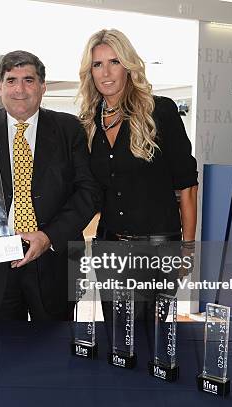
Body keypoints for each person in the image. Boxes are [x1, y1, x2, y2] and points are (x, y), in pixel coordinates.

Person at [0, 50, 102, 321]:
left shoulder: (69, 129)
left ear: (42, 87)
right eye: (11, 80)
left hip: (55, 262)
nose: (19, 89)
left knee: (55, 353)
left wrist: (48, 236)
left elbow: (88, 192)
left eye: (29, 80)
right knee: (0, 354)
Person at [77, 29, 198, 344]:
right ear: (89, 72)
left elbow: (187, 185)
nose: (105, 72)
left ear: (128, 66)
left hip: (157, 249)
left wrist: (187, 248)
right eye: (97, 64)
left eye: (114, 62)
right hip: (109, 248)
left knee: (152, 341)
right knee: (118, 340)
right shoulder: (88, 123)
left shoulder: (160, 111)